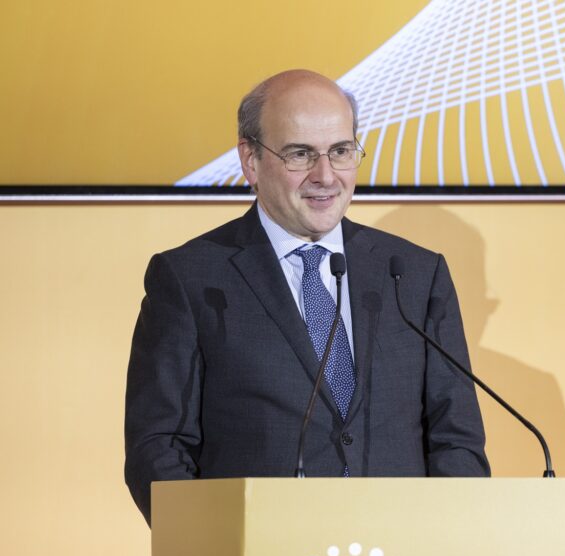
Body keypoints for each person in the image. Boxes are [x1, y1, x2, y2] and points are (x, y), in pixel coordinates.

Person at [125, 70, 489, 524]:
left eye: (341, 151)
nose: (326, 176)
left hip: (401, 552)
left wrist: (448, 538)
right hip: (260, 553)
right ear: (251, 160)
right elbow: (159, 448)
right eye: (300, 154)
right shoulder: (191, 278)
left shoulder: (413, 274)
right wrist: (210, 544)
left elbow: (457, 439)